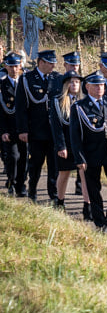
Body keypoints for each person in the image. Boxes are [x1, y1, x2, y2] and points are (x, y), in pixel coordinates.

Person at [70, 73, 107, 232]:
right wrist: (79, 157)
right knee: (94, 189)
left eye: (102, 85)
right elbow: (75, 135)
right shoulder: (80, 107)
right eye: (96, 85)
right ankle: (100, 222)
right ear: (87, 87)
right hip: (91, 153)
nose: (100, 88)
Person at [16, 49, 59, 201]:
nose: (53, 66)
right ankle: (32, 191)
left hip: (54, 132)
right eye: (50, 63)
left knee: (54, 167)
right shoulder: (27, 79)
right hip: (36, 131)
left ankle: (54, 196)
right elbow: (20, 107)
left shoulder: (57, 78)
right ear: (41, 62)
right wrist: (22, 130)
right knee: (35, 164)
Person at [48, 71, 86, 213]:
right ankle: (60, 201)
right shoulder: (58, 102)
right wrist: (60, 146)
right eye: (71, 82)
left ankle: (87, 205)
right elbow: (56, 127)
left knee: (84, 174)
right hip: (65, 144)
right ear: (65, 84)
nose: (74, 84)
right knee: (64, 174)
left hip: (81, 145)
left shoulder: (84, 100)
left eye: (77, 81)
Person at [0, 52, 27, 196]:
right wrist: (3, 131)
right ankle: (12, 181)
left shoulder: (25, 84)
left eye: (16, 66)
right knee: (13, 157)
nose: (14, 69)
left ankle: (21, 184)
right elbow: (1, 112)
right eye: (11, 66)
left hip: (24, 129)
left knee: (24, 158)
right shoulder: (2, 85)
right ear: (6, 66)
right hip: (9, 129)